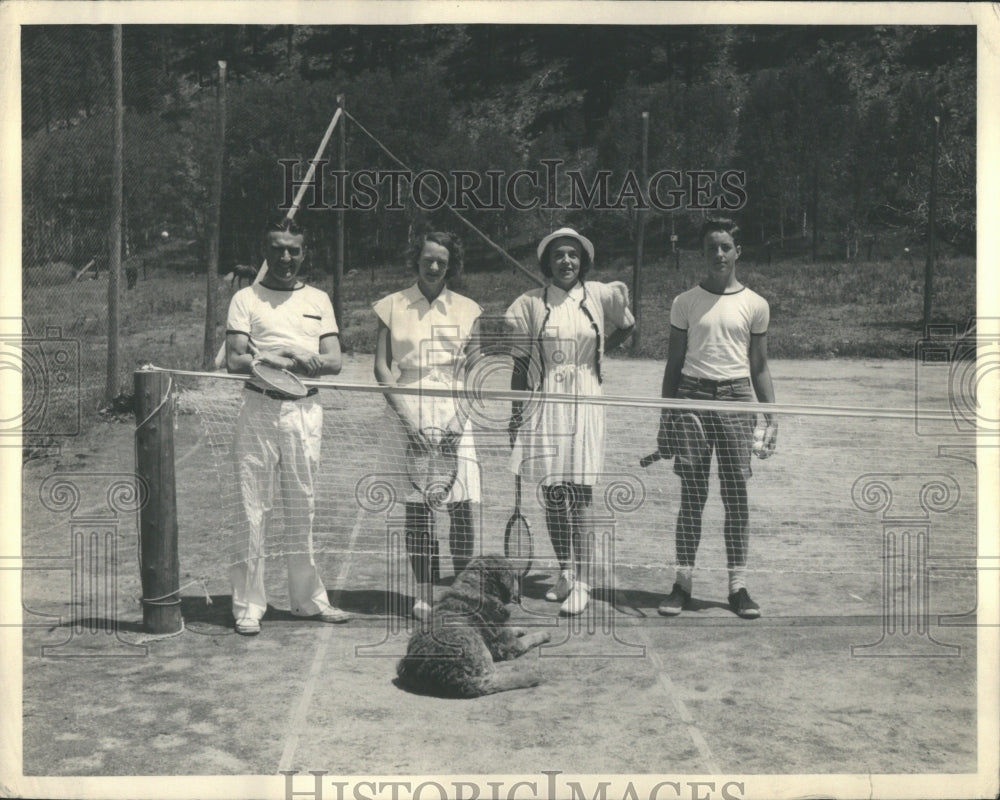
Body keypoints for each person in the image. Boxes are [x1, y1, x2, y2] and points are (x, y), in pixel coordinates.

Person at [224, 218, 349, 636]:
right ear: (266, 250)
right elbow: (235, 359)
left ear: (303, 252)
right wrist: (272, 359)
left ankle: (307, 601)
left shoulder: (318, 299)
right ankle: (249, 605)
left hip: (304, 414)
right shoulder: (246, 298)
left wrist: (289, 354)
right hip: (258, 410)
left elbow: (332, 362)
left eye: (293, 250)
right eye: (277, 248)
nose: (285, 257)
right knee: (250, 510)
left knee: (303, 508)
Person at [506, 227, 635, 616]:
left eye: (573, 256)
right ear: (548, 262)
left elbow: (628, 326)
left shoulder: (597, 295)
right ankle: (565, 570)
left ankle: (583, 582)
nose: (567, 261)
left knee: (579, 494)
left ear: (583, 262)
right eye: (560, 255)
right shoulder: (530, 303)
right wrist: (516, 412)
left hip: (586, 401)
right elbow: (521, 363)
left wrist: (596, 359)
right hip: (546, 402)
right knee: (552, 493)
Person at [656, 217, 778, 620]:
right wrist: (666, 419)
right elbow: (673, 365)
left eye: (726, 247)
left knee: (736, 497)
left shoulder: (755, 304)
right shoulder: (684, 302)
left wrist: (769, 417)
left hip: (736, 399)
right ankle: (682, 585)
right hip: (691, 397)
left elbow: (759, 366)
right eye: (711, 248)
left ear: (737, 251)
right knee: (692, 497)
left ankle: (737, 587)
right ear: (702, 253)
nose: (719, 255)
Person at [372, 231, 483, 621]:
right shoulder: (391, 305)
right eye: (427, 259)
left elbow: (476, 371)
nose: (434, 266)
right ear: (415, 260)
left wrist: (459, 419)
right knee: (418, 510)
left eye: (442, 260)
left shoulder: (469, 308)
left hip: (456, 410)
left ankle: (463, 591)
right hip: (407, 408)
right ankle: (423, 591)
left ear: (452, 264)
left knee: (463, 507)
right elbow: (382, 367)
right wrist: (407, 420)